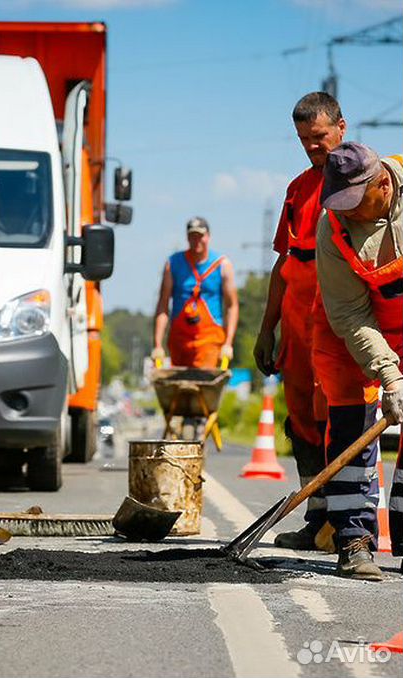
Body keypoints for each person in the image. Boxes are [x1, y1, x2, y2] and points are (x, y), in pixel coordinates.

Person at [254, 92, 346, 552]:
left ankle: (349, 524)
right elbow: (282, 263)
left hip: (336, 313)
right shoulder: (296, 188)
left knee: (338, 414)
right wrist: (265, 327)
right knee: (303, 421)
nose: (313, 147)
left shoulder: (362, 183)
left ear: (341, 128)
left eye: (319, 137)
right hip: (295, 318)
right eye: (304, 140)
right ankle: (317, 519)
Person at [313, 141, 403, 580]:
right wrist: (390, 374)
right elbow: (349, 315)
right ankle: (354, 540)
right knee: (351, 421)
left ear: (383, 186)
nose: (345, 214)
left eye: (354, 204)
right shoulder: (332, 231)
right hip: (351, 327)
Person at [153, 217, 238, 369]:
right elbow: (163, 305)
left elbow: (232, 306)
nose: (197, 240)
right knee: (180, 386)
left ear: (208, 237)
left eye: (201, 236)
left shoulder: (222, 265)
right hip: (180, 339)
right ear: (187, 237)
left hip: (209, 339)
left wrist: (228, 343)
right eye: (192, 236)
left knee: (201, 384)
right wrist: (158, 345)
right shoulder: (173, 264)